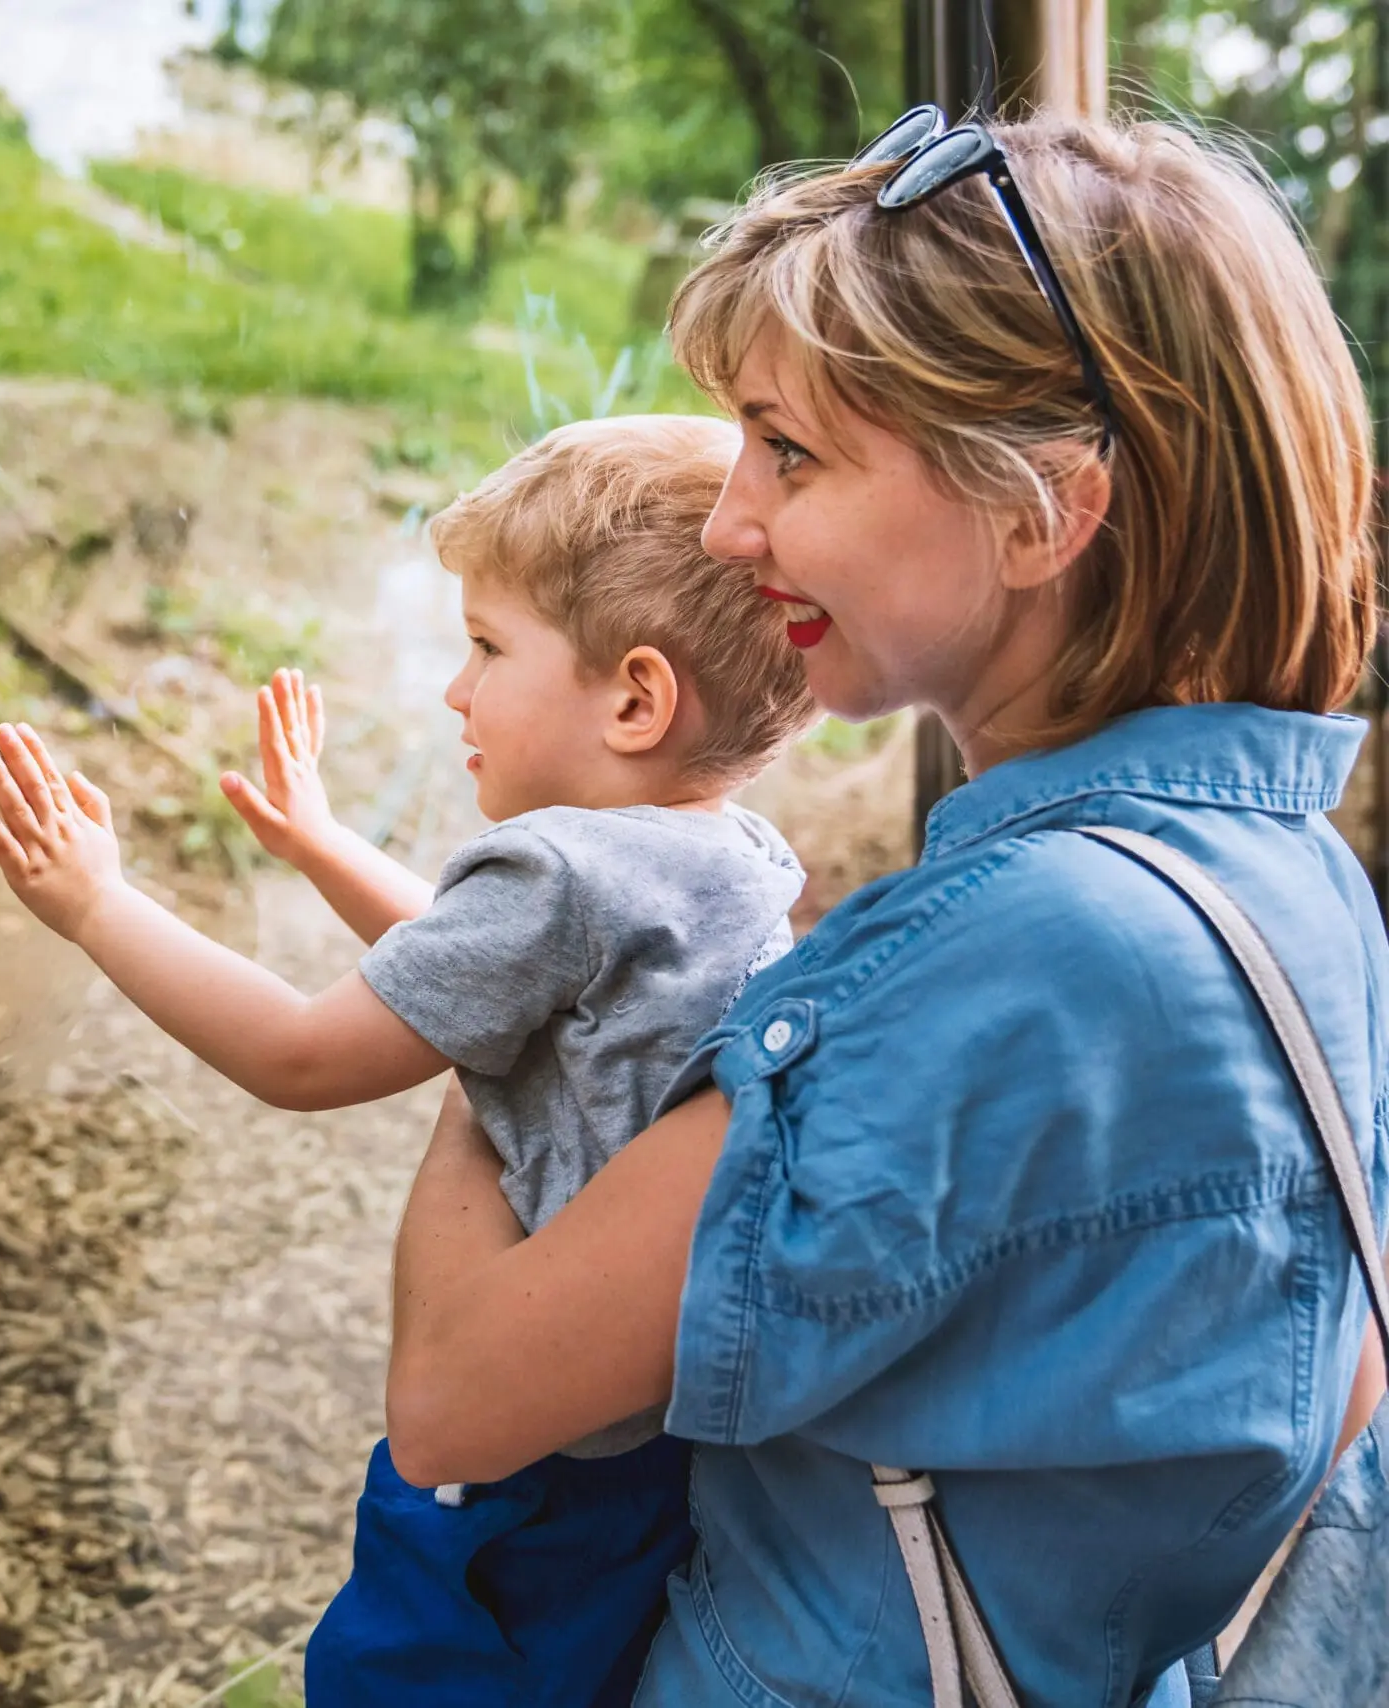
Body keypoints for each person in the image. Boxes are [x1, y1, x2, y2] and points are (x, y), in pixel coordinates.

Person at [380, 108, 1389, 1708]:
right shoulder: (1298, 883)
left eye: (792, 450)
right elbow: (1319, 1392)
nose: (730, 523)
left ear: (1040, 511)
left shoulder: (1009, 961)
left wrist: (500, 1008)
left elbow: (451, 1396)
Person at [0, 414, 814, 1707]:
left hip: (510, 1482)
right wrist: (317, 844)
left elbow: (302, 1057)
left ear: (636, 697)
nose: (455, 691)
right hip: (644, 1448)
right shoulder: (730, 858)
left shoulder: (563, 869)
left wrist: (98, 907)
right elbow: (480, 970)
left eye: (486, 649)